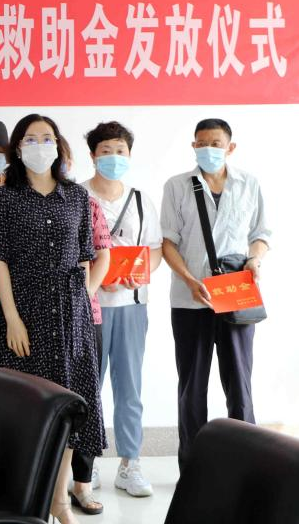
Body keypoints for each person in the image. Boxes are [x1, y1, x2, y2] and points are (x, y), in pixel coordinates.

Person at [0, 114, 105, 524]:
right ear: (18, 148)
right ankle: (24, 502)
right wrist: (12, 318)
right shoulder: (4, 197)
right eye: (31, 139)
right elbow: (0, 260)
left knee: (69, 407)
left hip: (71, 313)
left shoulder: (76, 196)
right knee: (28, 409)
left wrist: (80, 309)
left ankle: (59, 501)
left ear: (59, 145)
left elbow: (86, 256)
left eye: (47, 137)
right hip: (26, 310)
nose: (40, 145)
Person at [160, 118, 269, 470]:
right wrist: (190, 280)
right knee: (192, 387)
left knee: (240, 385)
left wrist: (254, 259)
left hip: (236, 296)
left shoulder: (248, 184)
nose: (209, 149)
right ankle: (193, 469)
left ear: (230, 147)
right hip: (190, 299)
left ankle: (246, 466)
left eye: (216, 143)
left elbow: (261, 234)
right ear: (193, 146)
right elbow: (168, 242)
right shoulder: (177, 186)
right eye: (202, 143)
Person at [83, 121, 163, 498]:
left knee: (130, 386)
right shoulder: (76, 196)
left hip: (132, 306)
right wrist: (98, 278)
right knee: (88, 386)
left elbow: (154, 250)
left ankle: (130, 463)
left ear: (129, 156)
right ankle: (87, 463)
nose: (113, 158)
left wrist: (139, 275)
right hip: (89, 307)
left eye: (120, 151)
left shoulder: (141, 200)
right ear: (93, 155)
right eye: (106, 151)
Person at [62, 136, 111, 515]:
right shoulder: (17, 202)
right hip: (40, 318)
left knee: (83, 400)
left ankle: (82, 483)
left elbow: (102, 255)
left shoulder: (85, 202)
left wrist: (83, 296)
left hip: (85, 316)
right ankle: (48, 484)